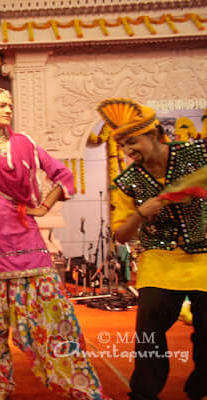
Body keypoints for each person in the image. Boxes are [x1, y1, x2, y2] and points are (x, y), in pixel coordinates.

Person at [0, 88, 108, 400]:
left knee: (53, 320)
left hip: (25, 245)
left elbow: (63, 175)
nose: (9, 109)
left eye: (11, 104)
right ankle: (0, 386)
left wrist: (43, 207)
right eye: (2, 105)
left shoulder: (24, 143)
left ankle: (77, 384)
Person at [100, 98, 207, 400]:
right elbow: (120, 235)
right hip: (158, 261)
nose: (128, 150)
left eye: (132, 141)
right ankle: (144, 393)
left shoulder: (197, 155)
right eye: (122, 145)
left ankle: (201, 387)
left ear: (155, 134)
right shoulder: (127, 182)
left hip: (204, 257)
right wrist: (141, 213)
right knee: (149, 334)